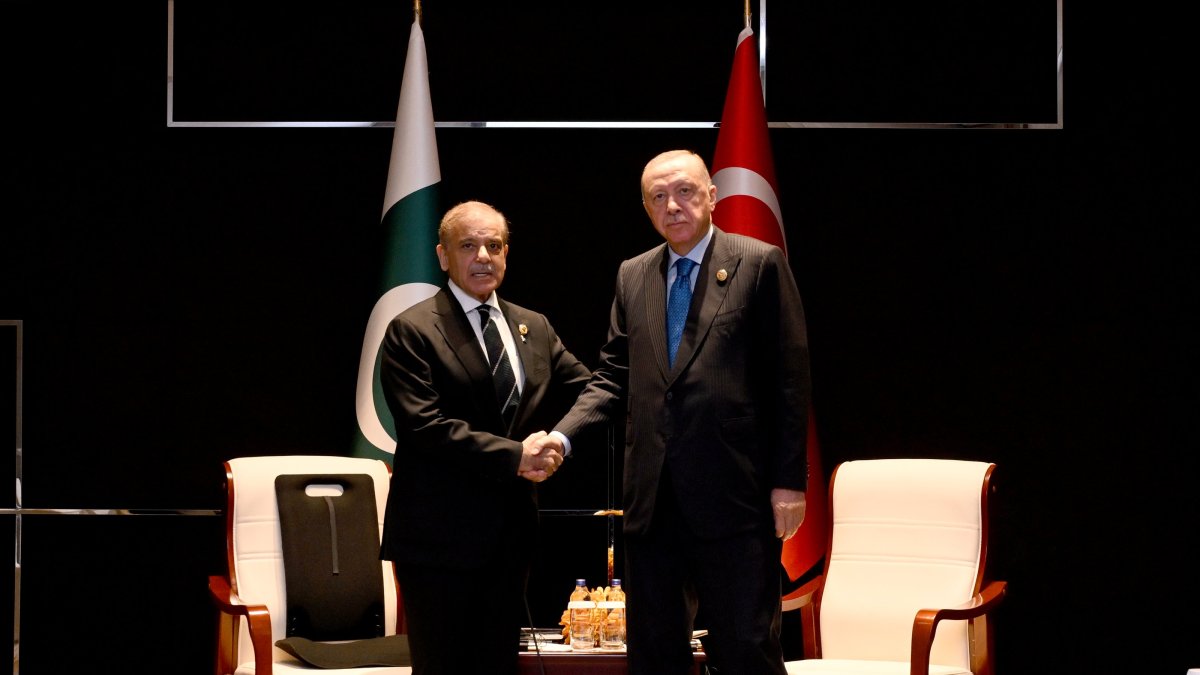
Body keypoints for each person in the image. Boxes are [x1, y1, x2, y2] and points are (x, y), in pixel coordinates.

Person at [541, 150, 811, 675]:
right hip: (652, 504)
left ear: (712, 195)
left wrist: (788, 482)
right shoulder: (633, 274)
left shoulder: (759, 263)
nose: (673, 205)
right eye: (658, 197)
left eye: (685, 191)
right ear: (646, 209)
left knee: (745, 651)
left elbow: (791, 382)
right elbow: (611, 377)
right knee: (655, 655)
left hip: (736, 497)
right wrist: (562, 437)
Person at [379, 200, 591, 675]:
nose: (482, 257)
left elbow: (592, 390)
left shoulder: (533, 326)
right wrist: (517, 456)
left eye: (493, 246)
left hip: (511, 537)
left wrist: (559, 440)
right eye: (468, 245)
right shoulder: (411, 330)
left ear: (506, 253)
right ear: (442, 255)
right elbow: (424, 426)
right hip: (437, 540)